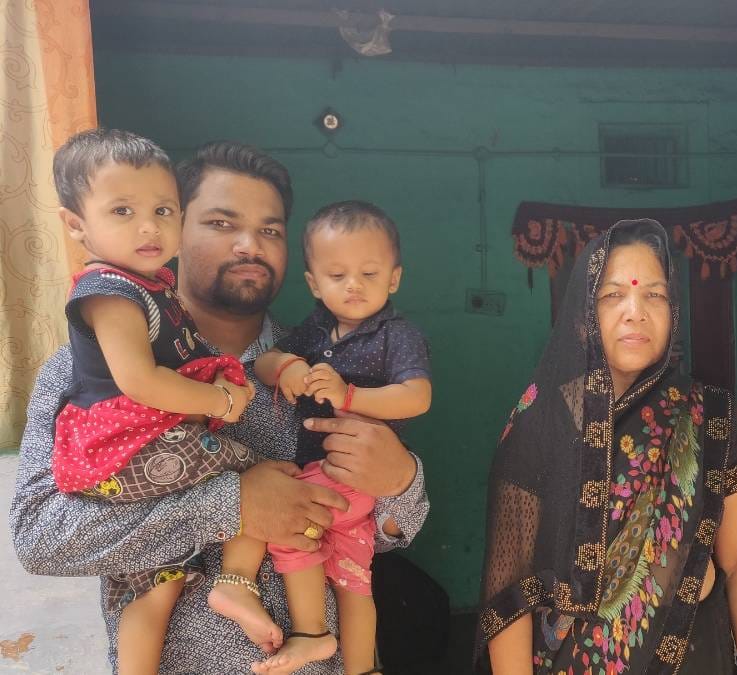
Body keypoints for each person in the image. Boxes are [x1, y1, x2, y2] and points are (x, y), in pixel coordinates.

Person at [10, 141, 430, 673]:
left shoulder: (323, 361)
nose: (249, 245)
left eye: (270, 230)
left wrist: (401, 482)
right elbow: (41, 537)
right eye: (221, 223)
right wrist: (229, 505)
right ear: (176, 230)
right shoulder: (88, 369)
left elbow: (379, 535)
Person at [475, 219, 737, 674]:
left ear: (673, 310)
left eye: (654, 294)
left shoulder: (712, 417)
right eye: (613, 295)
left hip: (695, 657)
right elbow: (508, 591)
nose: (635, 311)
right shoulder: (542, 422)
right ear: (583, 315)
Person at [48, 128, 262, 673]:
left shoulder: (153, 287)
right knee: (251, 471)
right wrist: (218, 401)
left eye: (163, 209)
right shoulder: (110, 292)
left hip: (126, 457)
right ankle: (236, 585)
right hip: (128, 447)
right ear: (76, 224)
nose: (149, 226)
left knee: (153, 582)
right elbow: (141, 381)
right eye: (122, 211)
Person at [244, 201, 432, 673]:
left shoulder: (396, 333)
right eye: (337, 275)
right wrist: (286, 365)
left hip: (348, 474)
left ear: (394, 278)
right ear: (314, 283)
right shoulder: (312, 332)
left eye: (369, 273)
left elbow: (417, 396)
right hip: (338, 483)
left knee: (291, 531)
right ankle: (362, 668)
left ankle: (311, 634)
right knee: (354, 580)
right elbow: (264, 362)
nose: (353, 285)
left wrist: (350, 397)